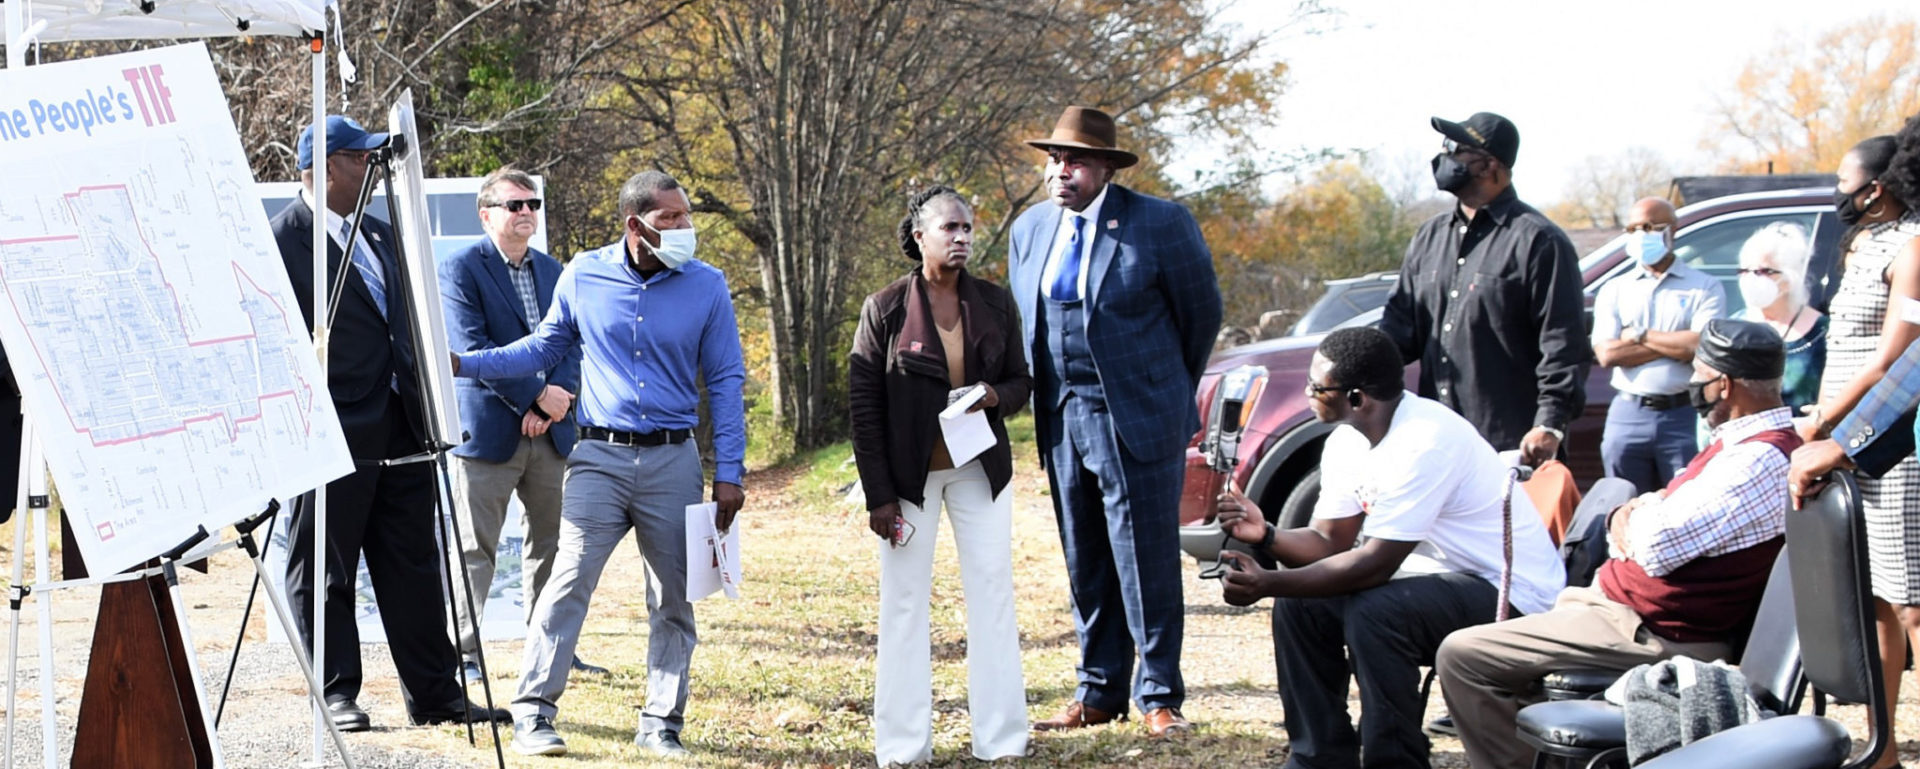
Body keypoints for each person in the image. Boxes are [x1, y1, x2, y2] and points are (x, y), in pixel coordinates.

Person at [450, 171, 748, 758]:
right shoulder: (584, 273)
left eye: (687, 217)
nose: (686, 229)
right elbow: (542, 347)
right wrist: (463, 364)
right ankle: (533, 713)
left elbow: (726, 380)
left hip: (674, 461)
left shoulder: (707, 286)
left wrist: (731, 473)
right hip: (597, 458)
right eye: (672, 220)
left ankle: (661, 721)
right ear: (635, 226)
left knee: (673, 598)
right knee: (566, 583)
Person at [1438, 319, 1799, 769]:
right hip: (1622, 612)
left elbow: (1656, 545)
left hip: (1655, 631)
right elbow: (1658, 506)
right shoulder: (1738, 447)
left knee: (1462, 655)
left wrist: (1631, 517)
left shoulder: (1756, 461)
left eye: (1699, 376)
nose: (1694, 386)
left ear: (1724, 385)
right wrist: (1631, 514)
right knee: (1505, 659)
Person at [1212, 326, 1565, 769]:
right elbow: (1329, 542)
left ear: (1357, 398)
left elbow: (1373, 566)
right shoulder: (1346, 440)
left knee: (1378, 612)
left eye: (1316, 387)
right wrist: (1267, 536)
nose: (1306, 393)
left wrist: (1268, 581)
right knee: (1300, 606)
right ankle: (1318, 756)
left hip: (1511, 596)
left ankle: (1394, 761)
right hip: (1437, 582)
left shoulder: (1425, 441)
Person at [273, 115, 505, 731]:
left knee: (414, 563)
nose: (372, 171)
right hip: (331, 432)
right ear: (324, 167)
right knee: (326, 566)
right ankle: (337, 693)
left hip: (403, 423)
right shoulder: (279, 242)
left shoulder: (378, 234)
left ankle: (437, 696)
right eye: (360, 159)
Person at [1007, 105, 1223, 738]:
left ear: (1105, 167)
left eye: (1074, 161)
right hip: (1063, 416)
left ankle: (1159, 695)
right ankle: (1098, 691)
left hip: (1136, 416)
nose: (1060, 172)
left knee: (1145, 559)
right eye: (1053, 160)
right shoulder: (1031, 229)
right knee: (1086, 558)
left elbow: (1200, 316)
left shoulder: (1160, 223)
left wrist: (1162, 392)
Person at [848, 186, 1033, 765]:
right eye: (949, 227)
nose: (961, 237)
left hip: (980, 470)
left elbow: (1022, 382)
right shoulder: (885, 309)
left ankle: (1001, 742)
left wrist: (992, 396)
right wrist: (880, 495)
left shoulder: (996, 303)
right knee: (903, 602)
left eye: (968, 228)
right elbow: (865, 408)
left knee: (993, 596)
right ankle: (903, 748)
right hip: (909, 482)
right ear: (919, 235)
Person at [438, 166, 606, 683]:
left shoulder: (556, 272)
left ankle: (551, 646)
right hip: (489, 433)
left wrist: (551, 405)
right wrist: (535, 397)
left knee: (554, 545)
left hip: (552, 433)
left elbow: (571, 346)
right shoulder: (461, 268)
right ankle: (461, 654)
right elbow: (471, 349)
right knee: (475, 547)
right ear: (487, 214)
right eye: (516, 205)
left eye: (533, 204)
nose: (528, 212)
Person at [1788, 122, 1920, 769]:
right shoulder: (1858, 242)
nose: (1838, 191)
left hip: (1892, 445)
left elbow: (1899, 358)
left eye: (1845, 181)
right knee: (1872, 600)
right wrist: (1822, 420)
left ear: (1878, 187)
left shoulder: (1914, 244)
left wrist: (1830, 428)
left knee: (1913, 601)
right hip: (1848, 436)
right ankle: (1885, 747)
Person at [1379, 111, 1587, 464]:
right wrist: (1358, 367)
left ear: (1489, 164)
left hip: (1508, 445)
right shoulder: (1429, 237)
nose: (1444, 157)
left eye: (1455, 148)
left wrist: (1549, 424)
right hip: (1436, 439)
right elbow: (1399, 332)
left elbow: (1563, 344)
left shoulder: (1539, 241)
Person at [1591, 197, 1726, 493]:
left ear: (1672, 230)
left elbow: (1699, 346)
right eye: (1633, 228)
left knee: (1688, 499)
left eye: (1649, 227)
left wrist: (1638, 335)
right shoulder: (1614, 289)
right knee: (1622, 500)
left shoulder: (1703, 286)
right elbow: (1607, 353)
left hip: (1682, 414)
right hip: (1628, 413)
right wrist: (1675, 344)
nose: (1640, 235)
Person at [1735, 222, 1826, 412]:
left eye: (1763, 271)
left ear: (1789, 278)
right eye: (1745, 271)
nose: (1751, 279)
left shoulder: (1823, 333)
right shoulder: (1732, 328)